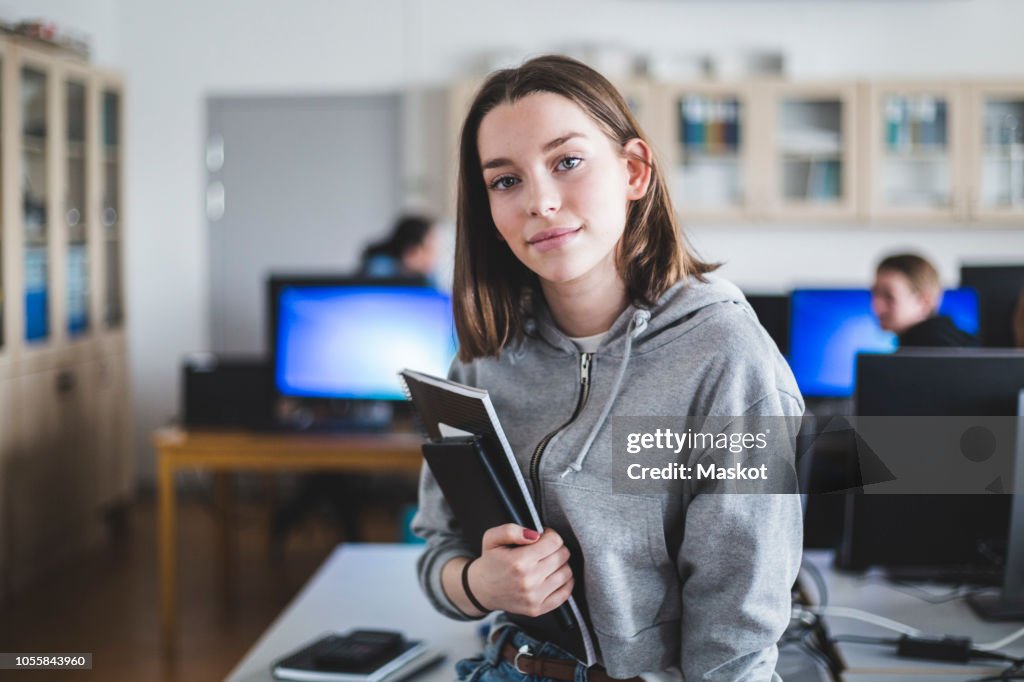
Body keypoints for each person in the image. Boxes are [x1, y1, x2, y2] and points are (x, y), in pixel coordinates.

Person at [412, 55, 803, 681]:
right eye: (505, 181)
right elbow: (438, 550)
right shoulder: (485, 356)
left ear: (634, 171)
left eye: (567, 162)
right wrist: (481, 583)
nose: (539, 201)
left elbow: (738, 625)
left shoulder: (727, 355)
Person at [870, 253, 978, 348]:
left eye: (889, 297)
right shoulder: (957, 342)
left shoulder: (929, 352)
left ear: (924, 302)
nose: (876, 306)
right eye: (874, 294)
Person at [359, 214, 440, 282]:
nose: (435, 256)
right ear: (411, 252)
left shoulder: (427, 276)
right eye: (429, 249)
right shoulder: (379, 270)